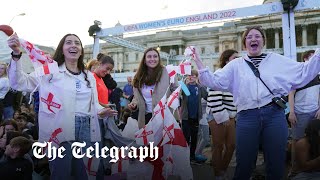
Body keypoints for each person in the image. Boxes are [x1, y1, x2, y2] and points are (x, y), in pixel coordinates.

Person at [192, 26, 320, 179]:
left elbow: (303, 72)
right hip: (247, 116)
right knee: (244, 163)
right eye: (249, 37)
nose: (253, 39)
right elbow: (214, 81)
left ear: (263, 41)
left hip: (274, 115)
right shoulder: (235, 65)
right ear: (244, 43)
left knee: (276, 162)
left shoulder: (276, 60)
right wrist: (199, 62)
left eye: (257, 36)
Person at [7, 33, 117, 180]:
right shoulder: (50, 71)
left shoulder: (88, 76)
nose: (73, 45)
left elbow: (93, 103)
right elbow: (19, 82)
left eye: (77, 43)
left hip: (86, 130)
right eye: (68, 42)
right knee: (61, 173)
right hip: (60, 129)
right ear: (62, 49)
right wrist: (16, 54)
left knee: (85, 174)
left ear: (81, 50)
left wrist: (101, 110)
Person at [206, 49, 237, 180]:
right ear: (226, 60)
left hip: (230, 116)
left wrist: (233, 115)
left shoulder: (235, 77)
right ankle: (218, 174)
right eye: (234, 58)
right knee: (218, 146)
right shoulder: (220, 74)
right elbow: (214, 98)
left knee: (231, 145)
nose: (238, 60)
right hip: (217, 114)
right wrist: (223, 116)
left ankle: (222, 170)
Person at [128, 47, 172, 129]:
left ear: (159, 59)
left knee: (163, 142)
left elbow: (176, 90)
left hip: (164, 116)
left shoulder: (167, 72)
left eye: (155, 56)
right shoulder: (139, 77)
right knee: (149, 142)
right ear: (144, 60)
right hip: (146, 117)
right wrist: (134, 104)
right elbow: (137, 97)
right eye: (149, 56)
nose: (152, 59)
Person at [180, 69, 207, 162]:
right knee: (186, 137)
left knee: (194, 137)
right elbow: (178, 92)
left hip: (195, 116)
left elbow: (207, 96)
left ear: (197, 77)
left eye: (193, 75)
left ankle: (192, 156)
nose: (191, 77)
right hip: (186, 117)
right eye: (189, 75)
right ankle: (184, 156)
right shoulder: (184, 87)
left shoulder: (200, 87)